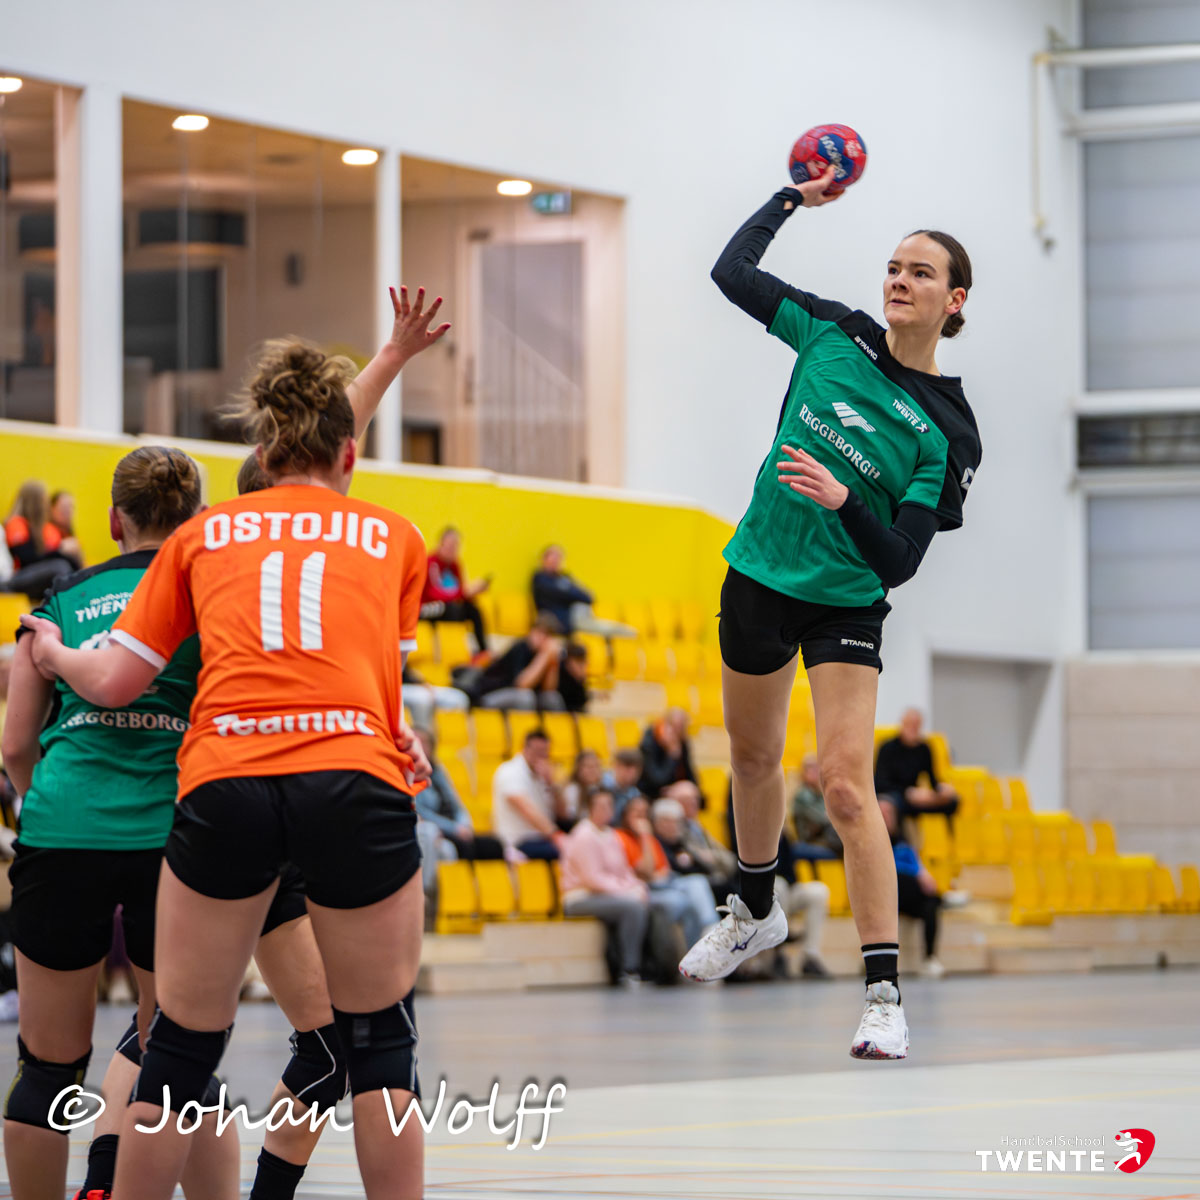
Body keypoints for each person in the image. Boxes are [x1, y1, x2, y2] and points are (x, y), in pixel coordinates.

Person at [22, 320, 445, 1200]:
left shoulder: (201, 539)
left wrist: (53, 655)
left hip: (228, 779)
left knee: (178, 1046)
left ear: (260, 451)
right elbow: (377, 675)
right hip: (351, 772)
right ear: (350, 455)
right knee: (380, 1047)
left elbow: (114, 682)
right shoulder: (397, 536)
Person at [677, 160, 982, 1062]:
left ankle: (883, 996)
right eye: (893, 266)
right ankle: (754, 909)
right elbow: (732, 273)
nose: (899, 280)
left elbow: (901, 561)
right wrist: (791, 199)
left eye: (920, 272)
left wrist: (846, 500)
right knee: (751, 757)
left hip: (846, 602)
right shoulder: (832, 333)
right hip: (759, 574)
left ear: (954, 301)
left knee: (846, 785)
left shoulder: (948, 429)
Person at [0, 447, 243, 1200]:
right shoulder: (210, 596)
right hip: (174, 841)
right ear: (196, 521)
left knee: (46, 1066)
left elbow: (14, 745)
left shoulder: (57, 602)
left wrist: (52, 807)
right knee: (181, 1054)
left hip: (60, 828)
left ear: (113, 521)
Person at [560, 787, 650, 987]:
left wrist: (637, 886)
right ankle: (629, 969)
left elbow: (624, 871)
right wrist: (626, 892)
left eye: (609, 805)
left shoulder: (612, 834)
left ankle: (654, 966)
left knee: (649, 901)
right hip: (580, 897)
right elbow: (592, 879)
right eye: (600, 806)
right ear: (590, 808)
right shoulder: (584, 835)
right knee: (632, 907)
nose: (605, 810)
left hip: (607, 894)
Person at [616, 795, 718, 948]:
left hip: (664, 882)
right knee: (683, 903)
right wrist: (645, 836)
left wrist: (654, 874)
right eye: (636, 813)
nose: (641, 818)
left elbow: (664, 870)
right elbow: (645, 872)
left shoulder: (651, 839)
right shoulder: (622, 838)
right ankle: (691, 952)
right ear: (625, 814)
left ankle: (711, 927)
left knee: (697, 881)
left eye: (644, 813)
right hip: (644, 890)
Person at [412, 726, 503, 861]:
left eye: (424, 743)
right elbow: (421, 812)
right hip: (438, 829)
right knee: (462, 848)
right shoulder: (409, 774)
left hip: (455, 827)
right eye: (416, 742)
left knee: (494, 846)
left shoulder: (438, 771)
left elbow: (455, 803)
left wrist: (464, 825)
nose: (421, 747)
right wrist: (454, 829)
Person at [879, 798, 945, 979]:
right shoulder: (872, 842)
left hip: (908, 895)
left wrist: (923, 873)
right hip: (886, 894)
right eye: (881, 812)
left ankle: (929, 959)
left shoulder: (904, 842)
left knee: (931, 902)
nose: (886, 817)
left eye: (889, 813)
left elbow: (917, 865)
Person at [491, 729, 568, 860]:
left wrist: (552, 784)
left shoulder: (544, 775)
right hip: (517, 841)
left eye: (544, 752)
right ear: (524, 748)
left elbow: (563, 814)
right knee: (569, 851)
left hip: (541, 839)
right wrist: (557, 836)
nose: (541, 756)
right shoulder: (509, 771)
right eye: (537, 751)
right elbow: (526, 810)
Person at [530, 544, 635, 637]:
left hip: (575, 618)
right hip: (560, 622)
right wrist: (569, 592)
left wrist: (567, 592)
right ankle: (625, 632)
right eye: (552, 557)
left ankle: (626, 631)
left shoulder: (565, 578)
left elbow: (588, 597)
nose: (556, 561)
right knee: (598, 627)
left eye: (559, 558)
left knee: (586, 613)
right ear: (544, 559)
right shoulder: (540, 578)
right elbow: (557, 594)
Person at [875, 708, 959, 819]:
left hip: (914, 797)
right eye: (909, 724)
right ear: (903, 723)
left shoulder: (924, 748)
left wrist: (941, 789)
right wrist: (908, 792)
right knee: (887, 806)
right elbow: (880, 783)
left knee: (952, 801)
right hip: (893, 794)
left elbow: (932, 780)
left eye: (916, 725)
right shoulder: (887, 748)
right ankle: (899, 831)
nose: (912, 728)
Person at [2, 480, 81, 599]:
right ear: (35, 502)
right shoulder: (16, 523)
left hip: (28, 575)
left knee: (63, 565)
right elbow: (26, 558)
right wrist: (60, 550)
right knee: (60, 566)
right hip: (14, 579)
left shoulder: (39, 528)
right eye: (44, 500)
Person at [421, 526, 490, 656]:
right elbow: (432, 593)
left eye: (456, 546)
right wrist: (464, 592)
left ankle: (484, 651)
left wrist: (473, 592)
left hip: (448, 607)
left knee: (473, 609)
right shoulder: (431, 563)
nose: (453, 550)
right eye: (450, 545)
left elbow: (460, 592)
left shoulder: (455, 565)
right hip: (427, 608)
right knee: (452, 609)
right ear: (441, 544)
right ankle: (449, 653)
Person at [475, 614, 567, 712]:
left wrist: (553, 663)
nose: (543, 639)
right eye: (540, 633)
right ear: (532, 632)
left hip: (516, 696)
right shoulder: (521, 648)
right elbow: (522, 684)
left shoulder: (543, 653)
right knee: (525, 698)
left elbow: (549, 689)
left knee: (553, 698)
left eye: (548, 636)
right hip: (490, 696)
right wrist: (544, 656)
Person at [638, 708, 699, 800]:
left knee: (690, 792)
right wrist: (672, 756)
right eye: (674, 726)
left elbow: (690, 774)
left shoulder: (682, 743)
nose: (676, 731)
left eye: (681, 727)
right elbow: (656, 780)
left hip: (674, 791)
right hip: (651, 794)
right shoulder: (649, 743)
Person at [791, 753, 843, 860]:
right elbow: (822, 819)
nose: (815, 771)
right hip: (811, 840)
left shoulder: (819, 793)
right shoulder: (802, 795)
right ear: (803, 774)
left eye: (816, 768)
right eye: (810, 768)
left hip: (825, 836)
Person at [562, 749, 605, 824]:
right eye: (588, 766)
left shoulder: (602, 790)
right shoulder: (572, 790)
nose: (593, 770)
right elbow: (569, 817)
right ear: (578, 769)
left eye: (596, 766)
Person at [608, 747, 645, 821]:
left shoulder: (635, 794)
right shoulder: (602, 787)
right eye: (628, 768)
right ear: (616, 766)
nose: (632, 773)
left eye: (636, 769)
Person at [557, 641, 590, 713]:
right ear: (568, 662)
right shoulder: (559, 676)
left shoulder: (579, 681)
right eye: (578, 661)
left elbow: (581, 702)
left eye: (583, 661)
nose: (581, 666)